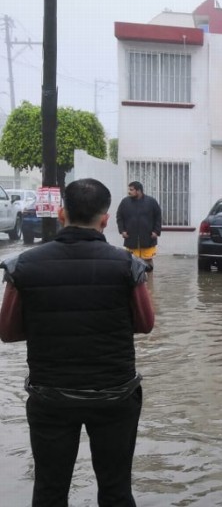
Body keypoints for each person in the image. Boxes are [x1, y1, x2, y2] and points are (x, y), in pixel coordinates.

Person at [0, 178, 155, 507]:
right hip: (115, 396)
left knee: (49, 490)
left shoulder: (23, 266)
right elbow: (145, 324)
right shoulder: (128, 265)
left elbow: (8, 331)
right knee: (116, 490)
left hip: (50, 398)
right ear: (105, 220)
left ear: (60, 214)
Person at [116, 181, 162, 270]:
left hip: (148, 238)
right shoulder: (125, 202)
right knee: (132, 262)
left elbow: (158, 217)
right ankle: (136, 283)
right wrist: (122, 231)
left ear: (139, 191)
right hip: (131, 237)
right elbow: (119, 216)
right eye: (129, 189)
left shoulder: (151, 202)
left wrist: (156, 231)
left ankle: (150, 283)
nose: (129, 192)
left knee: (148, 262)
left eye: (131, 190)